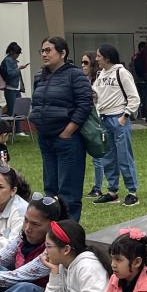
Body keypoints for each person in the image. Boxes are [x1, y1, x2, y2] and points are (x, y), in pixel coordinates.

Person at [31, 36, 94, 221]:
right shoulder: (40, 76)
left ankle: (68, 231)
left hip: (67, 139)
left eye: (48, 50)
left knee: (69, 191)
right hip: (46, 137)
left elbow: (85, 104)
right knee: (50, 189)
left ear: (63, 52)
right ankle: (52, 230)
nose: (44, 54)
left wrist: (68, 131)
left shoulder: (75, 75)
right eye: (42, 50)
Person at [89, 44, 141, 206]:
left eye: (98, 56)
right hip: (104, 119)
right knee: (108, 157)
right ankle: (112, 191)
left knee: (124, 155)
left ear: (107, 57)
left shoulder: (122, 72)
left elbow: (134, 97)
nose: (96, 59)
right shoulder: (101, 74)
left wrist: (125, 116)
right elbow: (96, 95)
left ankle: (132, 191)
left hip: (118, 118)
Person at [0, 42, 25, 116]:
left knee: (16, 112)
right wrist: (19, 68)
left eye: (19, 53)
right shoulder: (8, 60)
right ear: (11, 52)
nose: (18, 55)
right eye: (17, 53)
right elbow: (10, 74)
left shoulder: (11, 60)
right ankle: (14, 127)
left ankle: (16, 127)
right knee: (13, 112)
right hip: (11, 89)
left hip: (15, 88)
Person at [131, 42, 147, 118]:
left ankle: (142, 114)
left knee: (142, 97)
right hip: (146, 78)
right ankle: (145, 113)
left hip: (139, 80)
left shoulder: (136, 56)